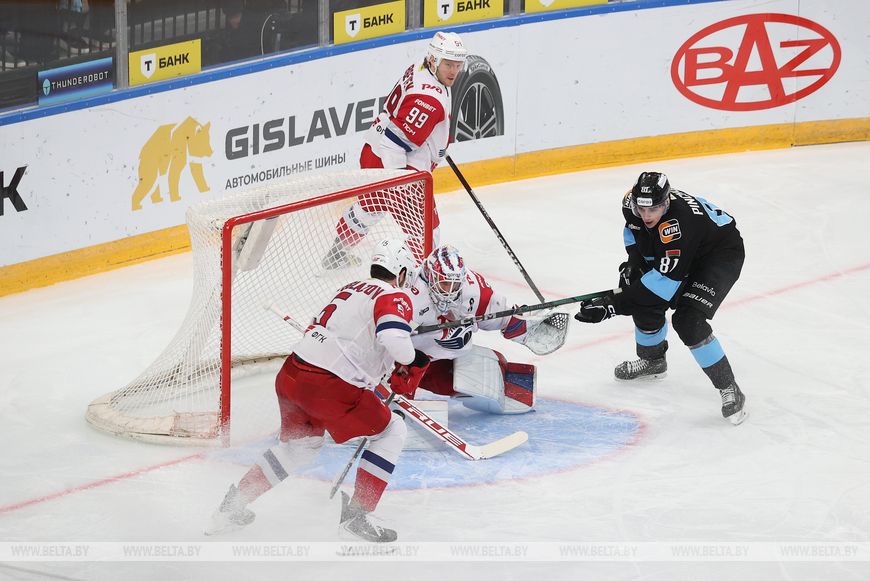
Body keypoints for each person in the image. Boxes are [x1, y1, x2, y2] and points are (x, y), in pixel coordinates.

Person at [206, 239, 430, 542]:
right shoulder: (393, 295)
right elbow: (396, 344)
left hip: (292, 375)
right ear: (401, 272)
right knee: (391, 431)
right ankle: (357, 519)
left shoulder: (350, 288)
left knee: (298, 448)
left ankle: (231, 507)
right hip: (329, 386)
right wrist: (413, 357)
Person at [573, 172, 747, 425]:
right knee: (636, 284)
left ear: (666, 203)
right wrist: (634, 261)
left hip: (717, 255)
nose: (646, 215)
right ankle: (653, 360)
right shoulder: (631, 205)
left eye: (653, 209)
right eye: (641, 209)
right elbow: (632, 231)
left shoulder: (680, 224)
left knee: (688, 321)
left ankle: (729, 387)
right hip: (683, 249)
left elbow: (663, 286)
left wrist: (612, 305)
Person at [322, 31, 468, 269]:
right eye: (448, 65)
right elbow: (394, 142)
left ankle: (337, 253)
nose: (454, 71)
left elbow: (404, 121)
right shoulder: (429, 100)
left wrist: (437, 141)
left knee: (369, 209)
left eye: (457, 65)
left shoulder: (421, 67)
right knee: (427, 233)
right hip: (401, 167)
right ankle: (411, 279)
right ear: (434, 60)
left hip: (373, 151)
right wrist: (401, 184)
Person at [400, 244, 561, 415]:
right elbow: (389, 340)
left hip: (443, 356)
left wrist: (526, 324)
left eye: (455, 284)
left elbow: (501, 316)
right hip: (408, 359)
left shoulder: (472, 289)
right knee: (403, 380)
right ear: (430, 277)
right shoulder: (408, 296)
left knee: (480, 379)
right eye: (445, 283)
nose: (450, 291)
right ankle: (397, 397)